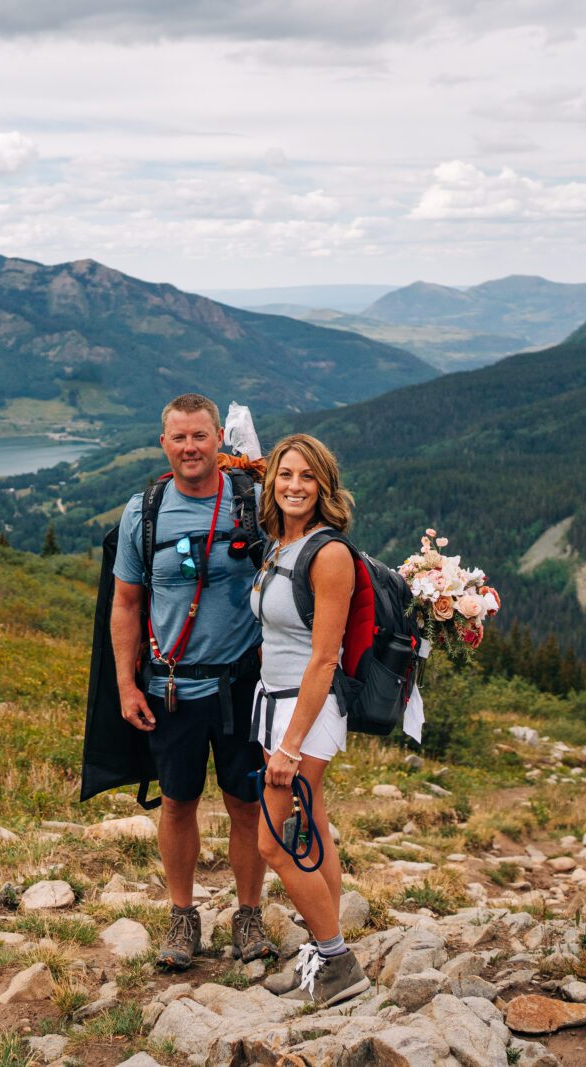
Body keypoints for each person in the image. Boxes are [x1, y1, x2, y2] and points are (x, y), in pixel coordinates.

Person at [111, 393, 274, 969]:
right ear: (164, 443)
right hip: (171, 688)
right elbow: (126, 603)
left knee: (246, 806)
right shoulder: (145, 511)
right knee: (178, 804)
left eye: (200, 436)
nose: (189, 448)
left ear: (217, 440)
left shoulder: (252, 503)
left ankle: (249, 918)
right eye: (178, 438)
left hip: (241, 687)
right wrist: (126, 686)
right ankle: (183, 919)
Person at [250, 433, 370, 1006]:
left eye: (307, 476)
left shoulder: (329, 555)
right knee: (313, 825)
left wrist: (288, 747)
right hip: (278, 705)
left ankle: (337, 959)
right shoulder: (280, 543)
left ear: (324, 485)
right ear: (272, 480)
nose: (294, 486)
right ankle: (325, 952)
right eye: (285, 474)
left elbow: (324, 658)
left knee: (274, 843)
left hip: (305, 714)